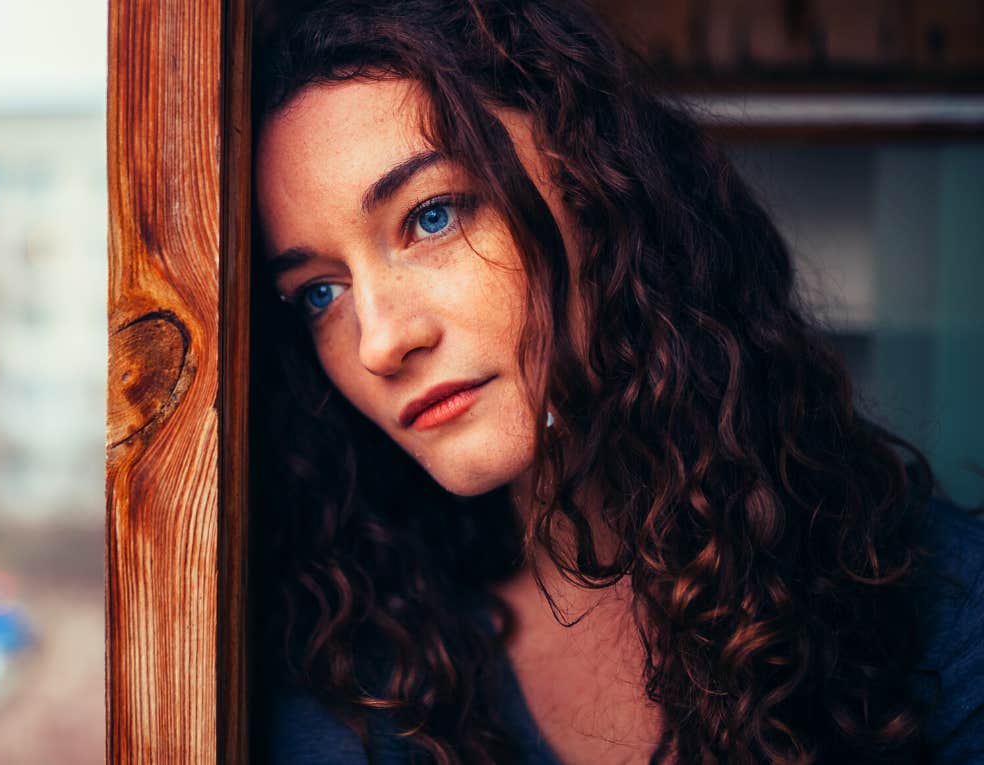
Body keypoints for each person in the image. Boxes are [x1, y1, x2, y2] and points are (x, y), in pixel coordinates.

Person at [247, 1, 984, 763]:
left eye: (432, 216)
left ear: (595, 187)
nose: (381, 341)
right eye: (319, 292)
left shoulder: (934, 603)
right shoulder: (363, 686)